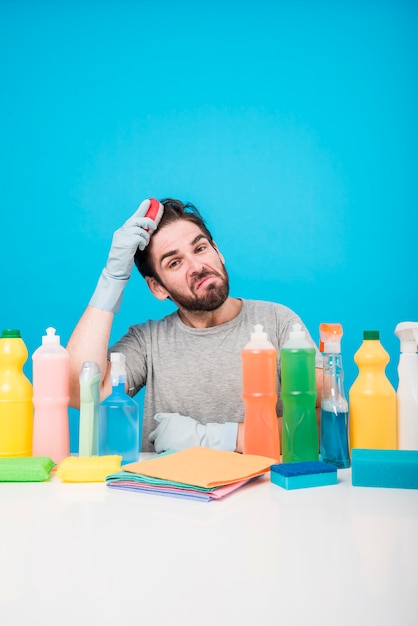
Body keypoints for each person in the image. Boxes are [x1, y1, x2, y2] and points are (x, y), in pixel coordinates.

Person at [67, 197, 323, 454]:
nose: (197, 267)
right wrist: (113, 279)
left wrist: (214, 438)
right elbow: (82, 393)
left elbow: (326, 416)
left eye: (200, 249)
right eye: (174, 263)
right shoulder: (147, 343)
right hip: (168, 493)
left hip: (262, 492)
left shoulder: (278, 323)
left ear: (217, 251)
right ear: (157, 287)